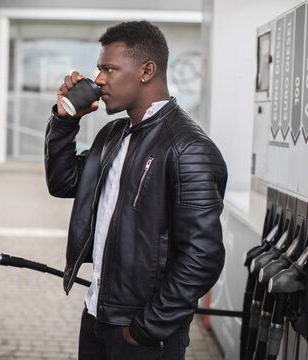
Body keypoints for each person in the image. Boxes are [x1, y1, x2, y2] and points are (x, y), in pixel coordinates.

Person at [44, 21, 227, 359]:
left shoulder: (188, 148)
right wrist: (65, 121)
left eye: (109, 69)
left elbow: (203, 257)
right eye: (99, 69)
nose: (98, 79)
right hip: (97, 317)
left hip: (143, 336)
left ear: (147, 70)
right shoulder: (113, 135)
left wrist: (143, 329)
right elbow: (63, 182)